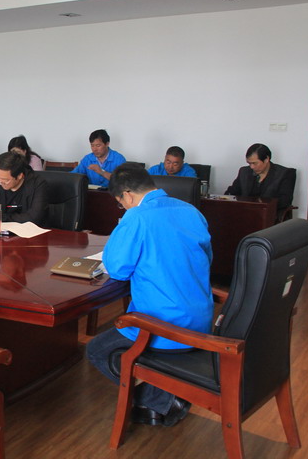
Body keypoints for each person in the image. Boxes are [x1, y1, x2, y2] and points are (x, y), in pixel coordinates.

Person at [86, 163, 213, 427]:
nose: (123, 207)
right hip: (201, 319)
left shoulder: (137, 217)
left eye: (121, 203)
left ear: (127, 195)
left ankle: (161, 398)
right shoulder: (191, 211)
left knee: (97, 350)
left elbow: (118, 269)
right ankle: (165, 393)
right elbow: (207, 258)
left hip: (164, 324)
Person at [225, 143, 295, 212]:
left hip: (269, 214)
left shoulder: (285, 174)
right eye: (249, 163)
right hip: (244, 212)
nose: (252, 167)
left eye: (254, 163)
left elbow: (285, 201)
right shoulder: (244, 172)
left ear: (266, 159)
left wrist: (260, 206)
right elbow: (232, 192)